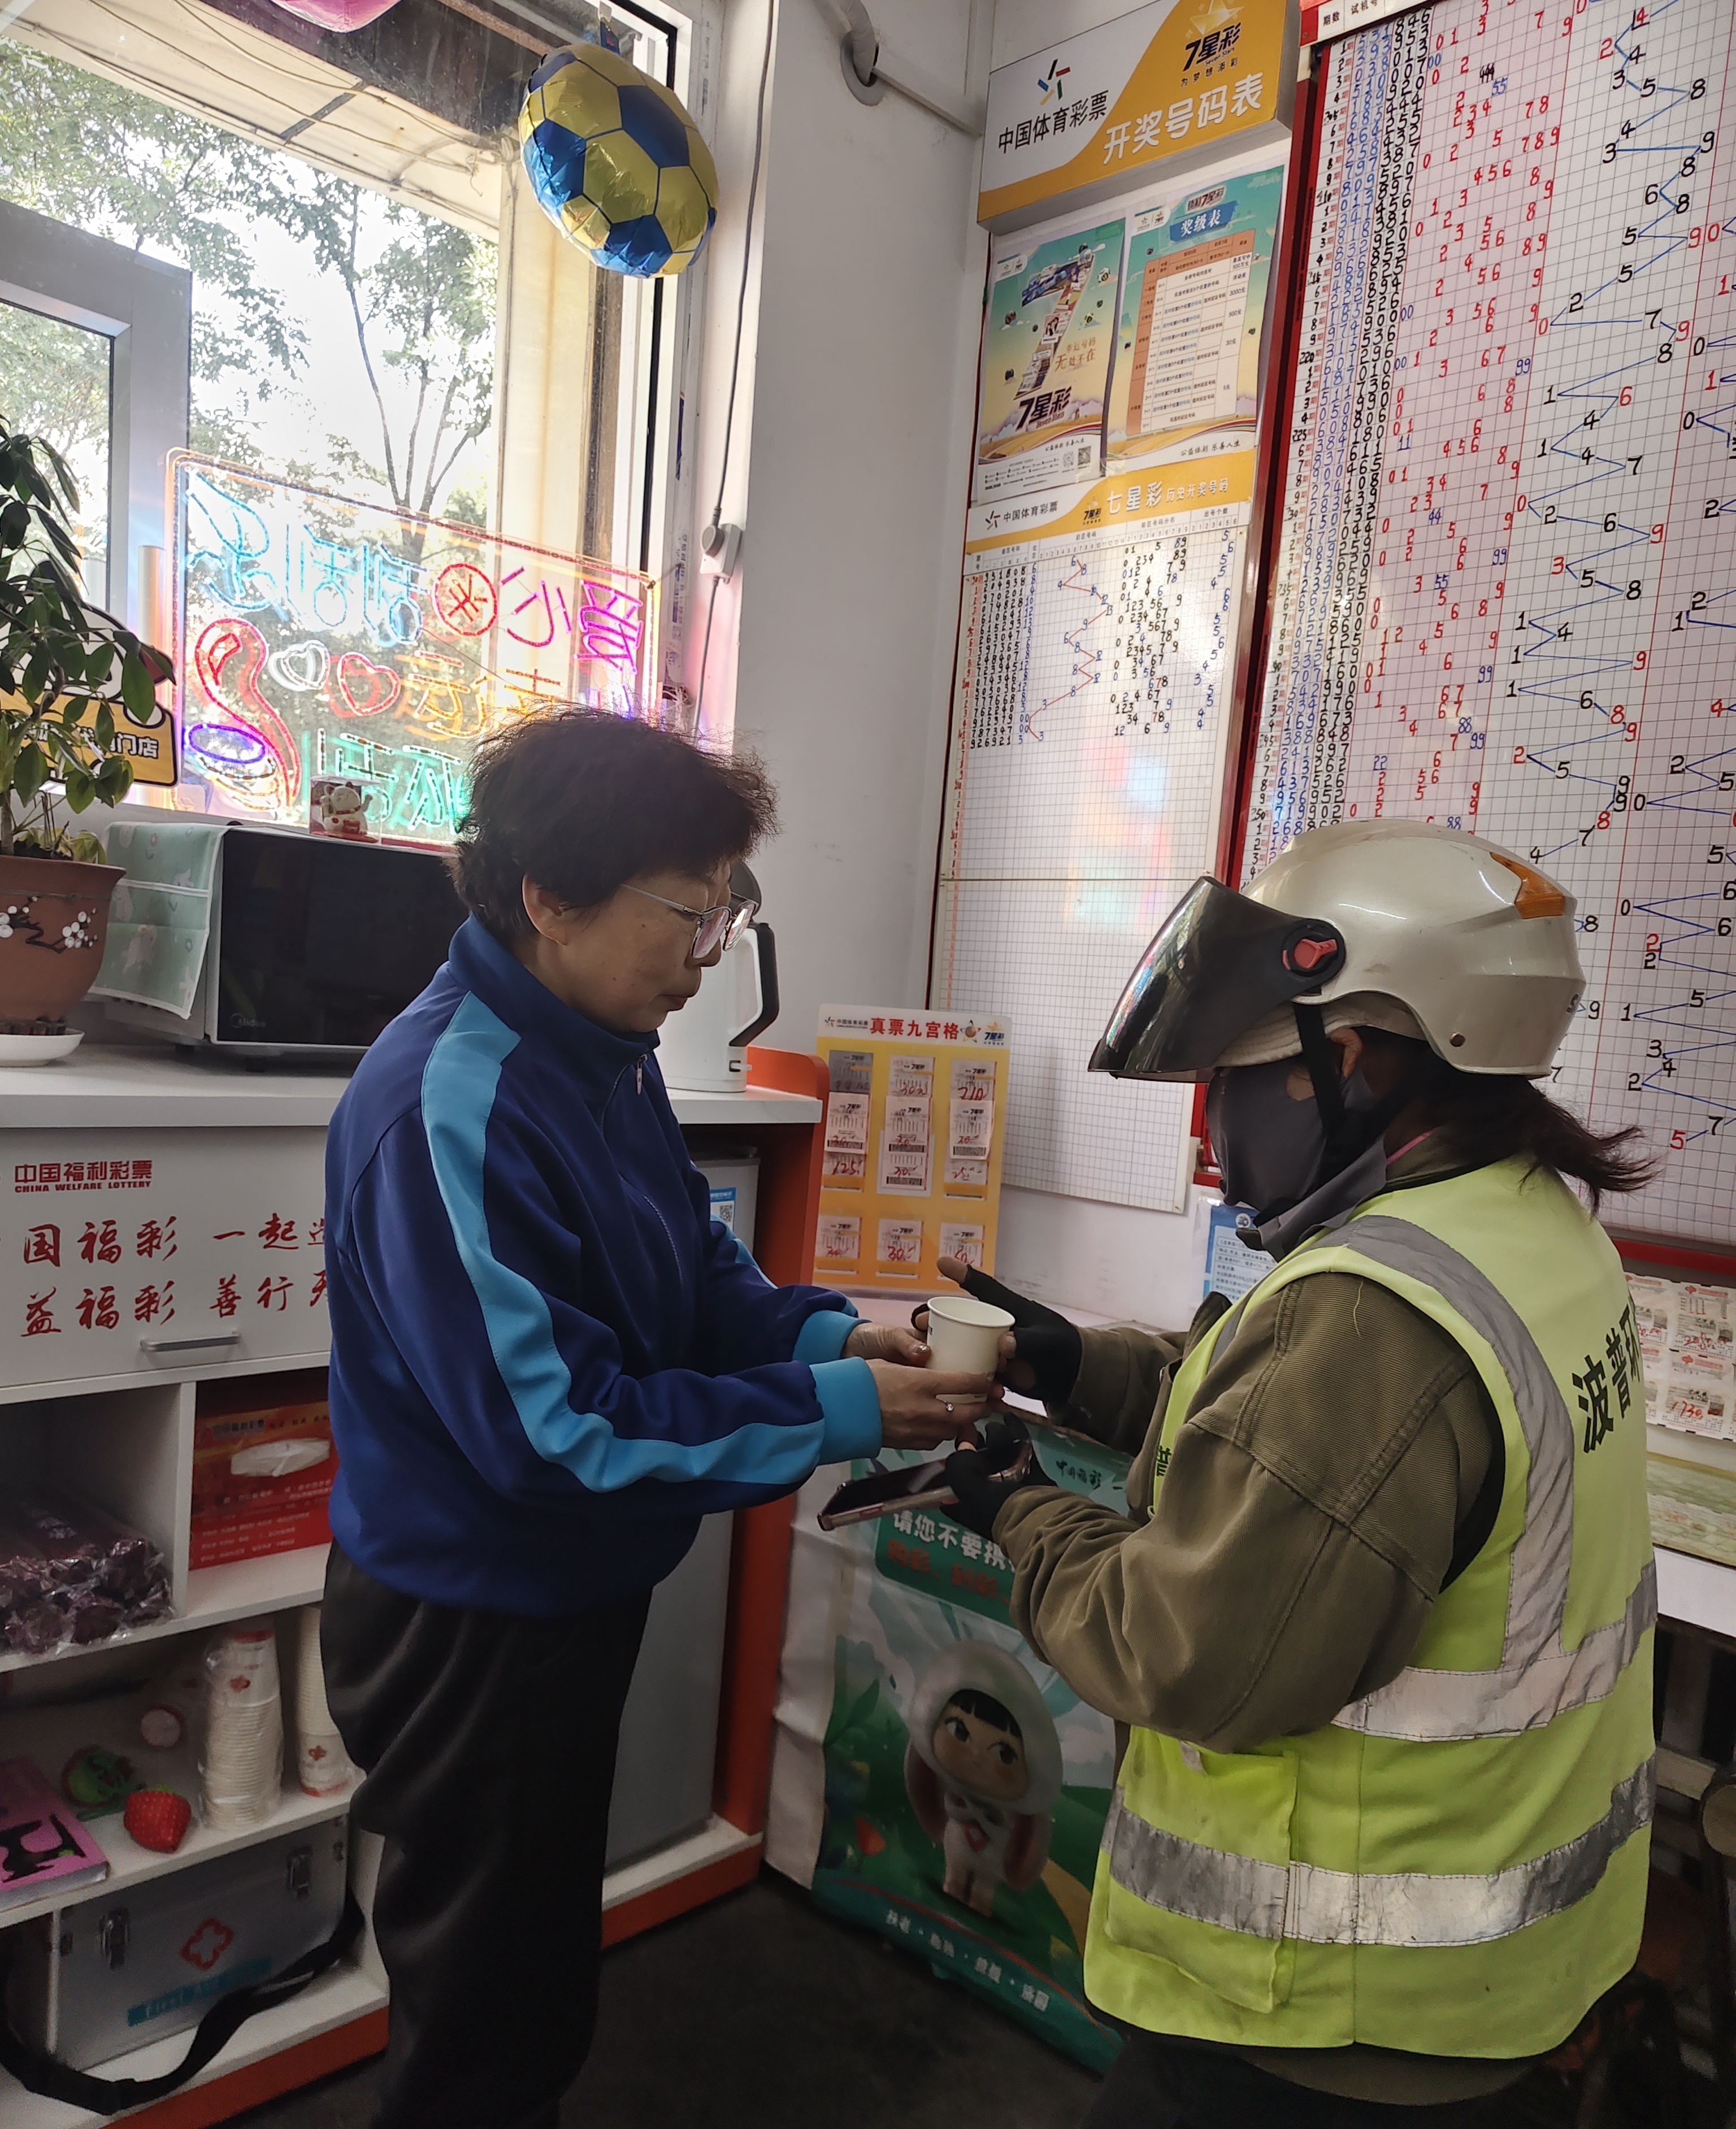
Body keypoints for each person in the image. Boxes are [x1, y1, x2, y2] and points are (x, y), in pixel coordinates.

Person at [318, 710, 992, 2129]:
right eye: (691, 917)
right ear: (550, 899)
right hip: (473, 1619)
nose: (707, 960)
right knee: (483, 2013)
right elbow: (557, 1432)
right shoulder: (454, 1103)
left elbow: (690, 1264)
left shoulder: (598, 1049)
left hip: (565, 1591)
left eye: (726, 915)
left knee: (531, 1970)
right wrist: (841, 1407)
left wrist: (829, 1337)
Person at [934, 819, 1656, 2125]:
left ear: (1359, 1056)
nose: (1215, 1122)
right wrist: (1081, 1365)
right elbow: (1303, 1443)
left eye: (1238, 1072)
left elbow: (1187, 1653)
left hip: (1320, 2017)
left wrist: (1019, 1511)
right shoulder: (1527, 1228)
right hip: (1489, 1988)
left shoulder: (1370, 1314)